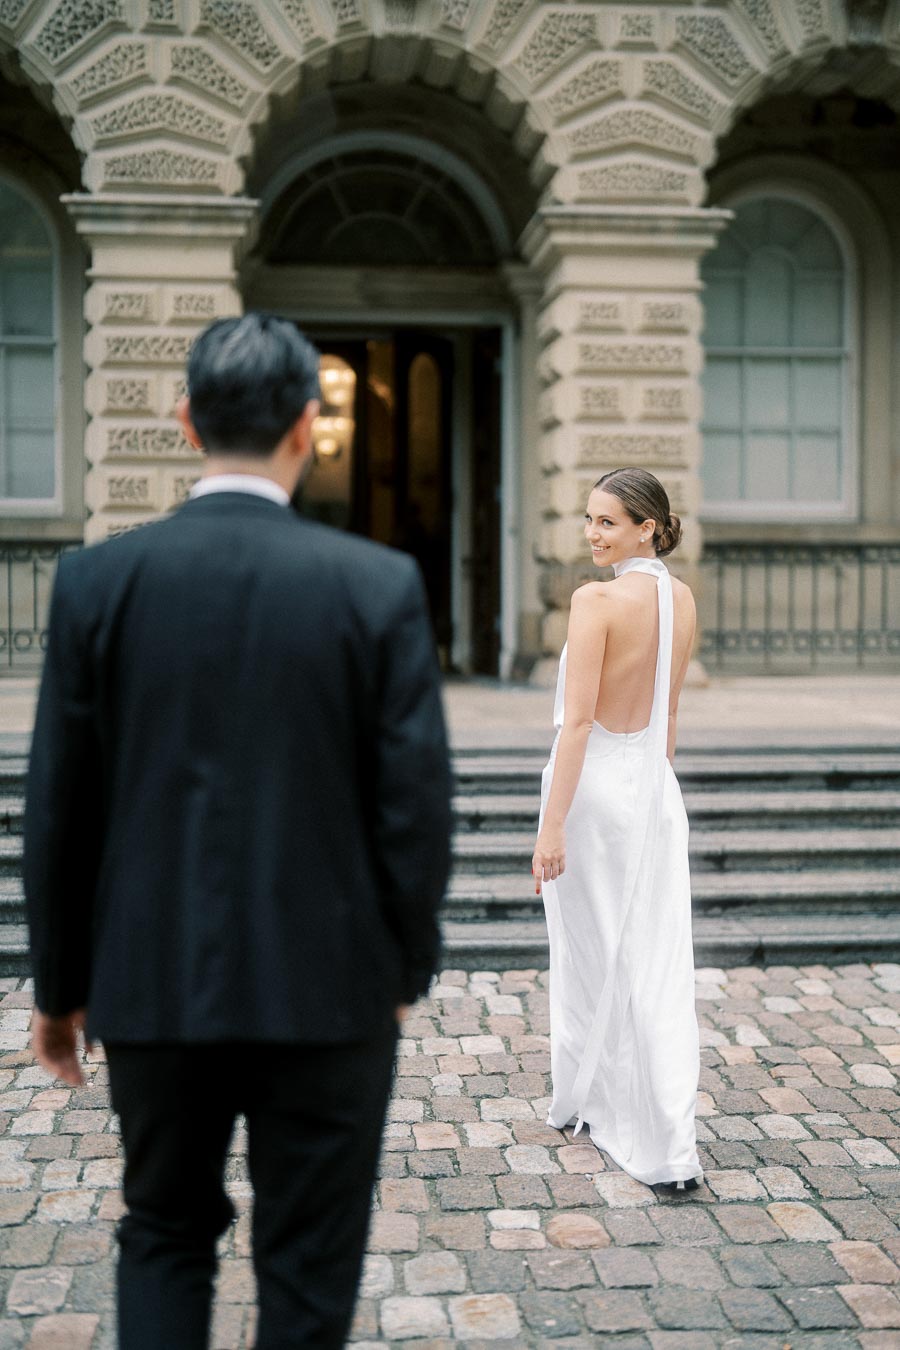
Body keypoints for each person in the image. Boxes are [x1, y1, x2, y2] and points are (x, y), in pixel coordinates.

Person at [24, 312, 452, 1349]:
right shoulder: (377, 585)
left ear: (183, 422)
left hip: (154, 981)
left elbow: (58, 808)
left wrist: (59, 990)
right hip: (334, 991)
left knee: (163, 1233)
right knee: (310, 1263)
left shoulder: (96, 584)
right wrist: (406, 970)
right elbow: (417, 810)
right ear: (309, 426)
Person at [532, 466, 702, 1191]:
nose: (592, 533)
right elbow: (665, 718)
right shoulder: (684, 598)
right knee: (652, 958)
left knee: (594, 952)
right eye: (589, 519)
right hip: (651, 793)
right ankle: (657, 1128)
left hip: (593, 791)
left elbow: (576, 725)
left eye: (607, 522)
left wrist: (551, 828)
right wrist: (648, 792)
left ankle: (599, 1102)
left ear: (649, 527)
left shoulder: (594, 601)